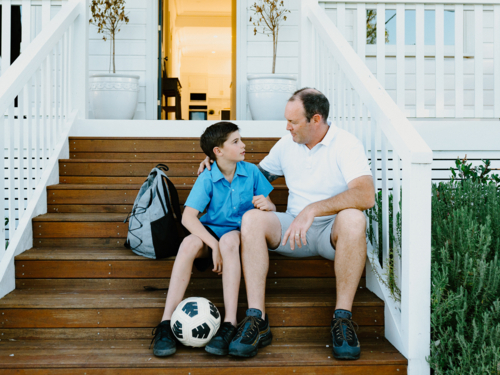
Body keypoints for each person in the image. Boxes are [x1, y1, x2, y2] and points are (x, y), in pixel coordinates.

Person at [198, 88, 375, 360]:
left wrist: (313, 210)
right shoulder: (286, 144)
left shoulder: (347, 144)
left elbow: (365, 194)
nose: (287, 126)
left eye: (293, 121)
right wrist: (220, 161)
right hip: (292, 231)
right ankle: (257, 319)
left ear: (316, 120)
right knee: (252, 219)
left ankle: (343, 319)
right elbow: (251, 175)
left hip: (332, 234)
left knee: (354, 218)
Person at [151, 121, 276, 357]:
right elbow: (188, 218)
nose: (243, 145)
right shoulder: (208, 176)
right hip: (212, 235)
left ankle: (229, 323)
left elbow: (270, 205)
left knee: (229, 240)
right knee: (188, 242)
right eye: (236, 141)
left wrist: (268, 205)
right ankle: (166, 323)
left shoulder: (251, 172)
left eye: (241, 139)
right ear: (218, 151)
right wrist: (212, 244)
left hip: (241, 235)